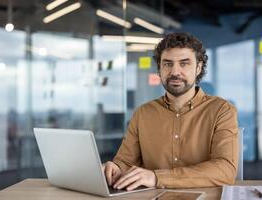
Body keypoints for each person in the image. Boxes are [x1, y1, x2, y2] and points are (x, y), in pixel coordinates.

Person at [102, 32, 238, 190]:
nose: (175, 72)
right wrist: (114, 170)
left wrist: (157, 177)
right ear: (159, 68)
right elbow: (125, 163)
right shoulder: (143, 113)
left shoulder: (222, 110)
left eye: (184, 63)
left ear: (198, 68)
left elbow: (225, 170)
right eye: (167, 64)